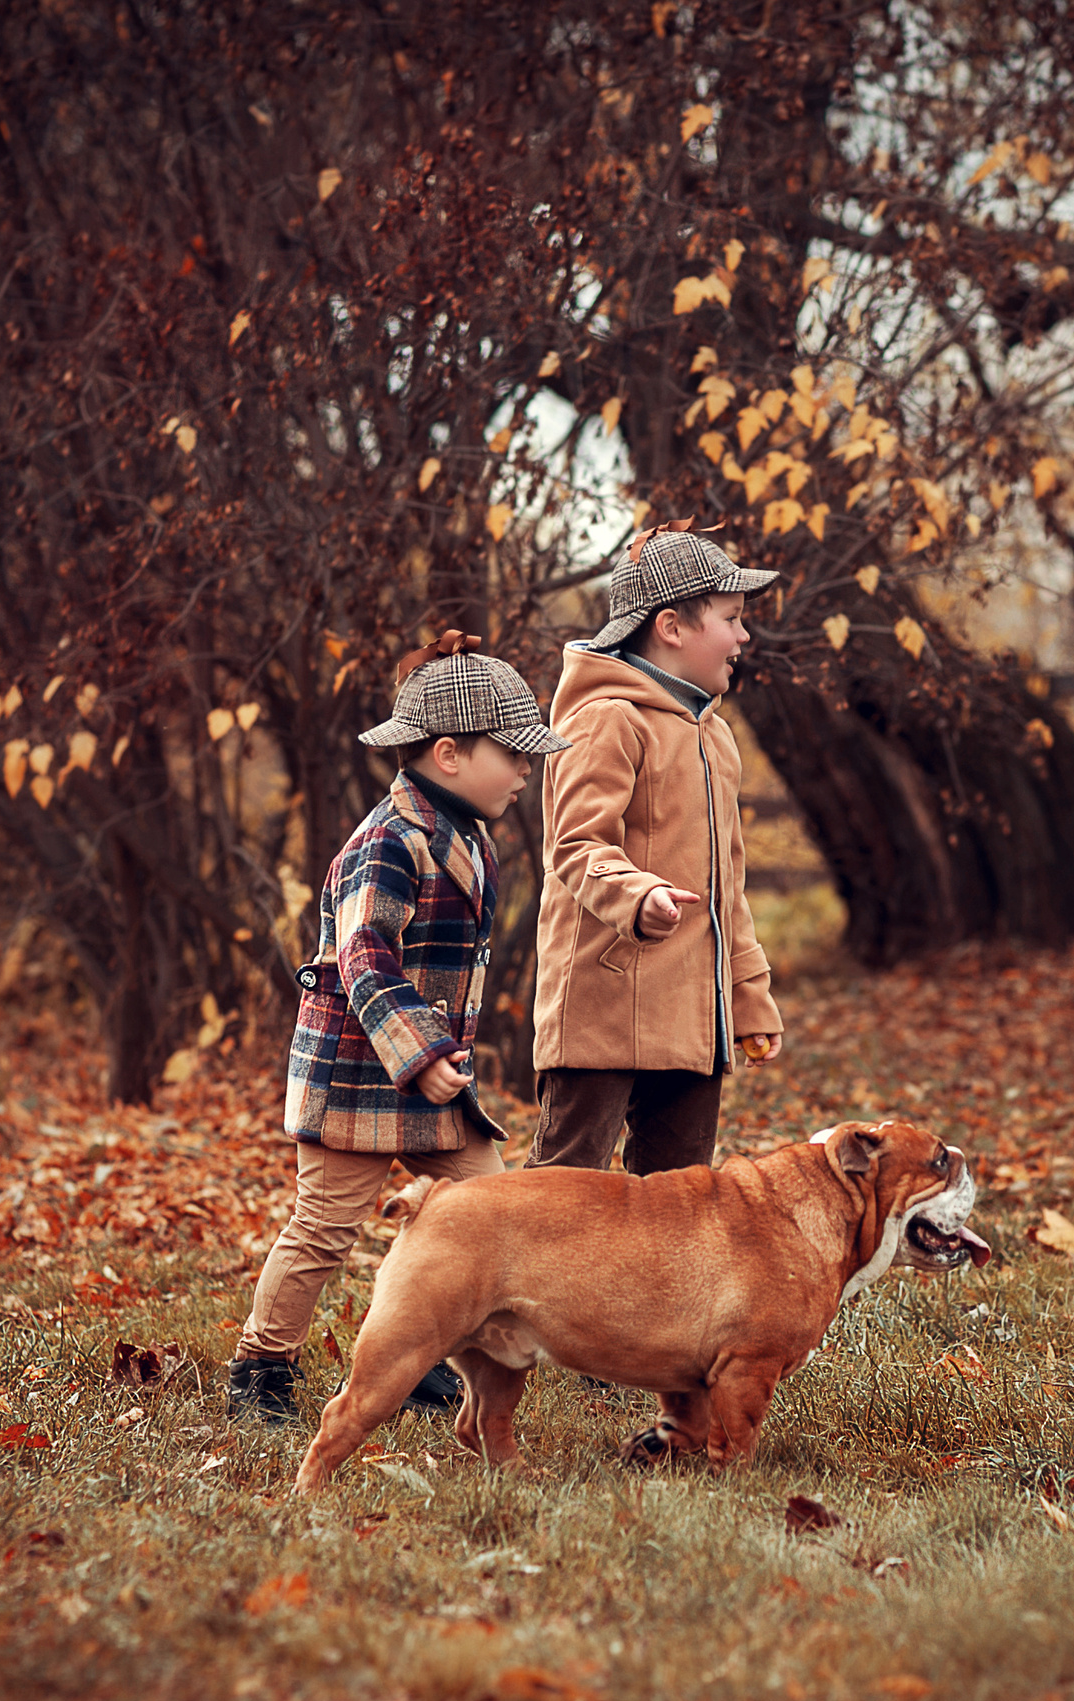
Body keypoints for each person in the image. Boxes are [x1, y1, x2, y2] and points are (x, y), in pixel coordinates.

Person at [225, 632, 569, 1425]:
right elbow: (365, 958)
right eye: (514, 754)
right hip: (358, 1074)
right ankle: (260, 1368)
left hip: (426, 1080)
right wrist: (423, 1052)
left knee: (491, 1211)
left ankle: (421, 1355)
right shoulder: (387, 841)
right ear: (449, 753)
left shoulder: (467, 834)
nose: (526, 770)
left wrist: (432, 1062)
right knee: (323, 1228)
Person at [527, 524, 785, 1175]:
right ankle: (515, 1280)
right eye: (730, 619)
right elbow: (578, 843)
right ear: (671, 626)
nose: (743, 637)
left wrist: (749, 995)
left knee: (681, 1202)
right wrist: (638, 893)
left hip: (691, 1019)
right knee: (563, 1193)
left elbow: (730, 888)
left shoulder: (714, 738)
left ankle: (648, 1285)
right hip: (601, 1009)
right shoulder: (606, 718)